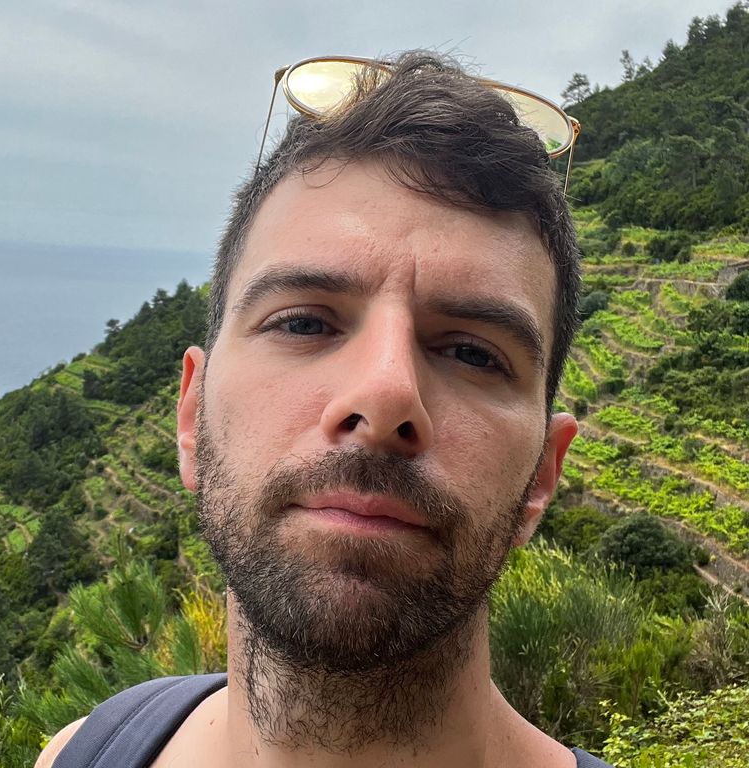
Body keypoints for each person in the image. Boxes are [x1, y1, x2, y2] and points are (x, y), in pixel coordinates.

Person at [37, 51, 614, 768]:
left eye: (472, 353)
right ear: (192, 417)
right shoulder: (87, 751)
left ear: (541, 477)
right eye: (304, 323)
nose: (385, 394)